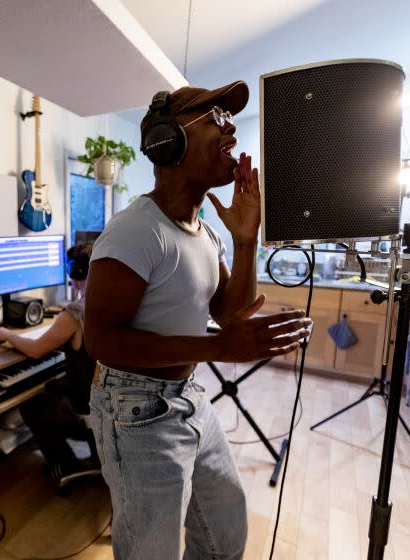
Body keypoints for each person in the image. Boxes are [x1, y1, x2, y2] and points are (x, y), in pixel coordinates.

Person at [83, 83, 312, 559]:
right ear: (169, 142)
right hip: (136, 411)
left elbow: (228, 311)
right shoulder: (134, 232)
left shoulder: (205, 232)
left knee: (224, 535)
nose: (230, 127)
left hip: (187, 396)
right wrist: (216, 348)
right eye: (215, 117)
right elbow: (101, 340)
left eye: (229, 118)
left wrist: (246, 241)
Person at [0, 243, 98, 478]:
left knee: (32, 406)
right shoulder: (114, 302)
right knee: (54, 385)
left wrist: (6, 334)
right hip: (109, 402)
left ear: (78, 273)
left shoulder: (74, 314)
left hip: (88, 405)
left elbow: (36, 350)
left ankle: (66, 466)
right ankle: (100, 455)